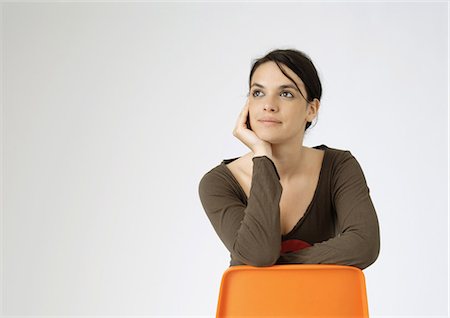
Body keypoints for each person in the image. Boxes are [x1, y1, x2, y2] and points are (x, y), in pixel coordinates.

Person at [198, 48, 380, 270]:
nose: (269, 105)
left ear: (311, 110)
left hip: (322, 304)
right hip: (251, 305)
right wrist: (262, 155)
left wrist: (280, 266)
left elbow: (364, 244)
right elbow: (260, 254)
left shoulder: (338, 167)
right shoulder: (218, 183)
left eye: (286, 94)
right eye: (258, 93)